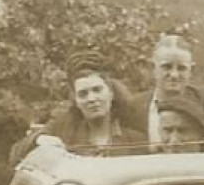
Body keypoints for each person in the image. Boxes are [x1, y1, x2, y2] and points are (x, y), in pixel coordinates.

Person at [9, 51, 149, 165]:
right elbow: (15, 155)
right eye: (83, 94)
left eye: (97, 90)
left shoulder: (134, 139)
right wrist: (39, 140)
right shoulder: (65, 130)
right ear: (76, 101)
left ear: (111, 93)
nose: (91, 99)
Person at [146, 34, 204, 148]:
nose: (174, 75)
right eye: (167, 67)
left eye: (181, 68)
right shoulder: (135, 106)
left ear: (191, 70)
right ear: (153, 68)